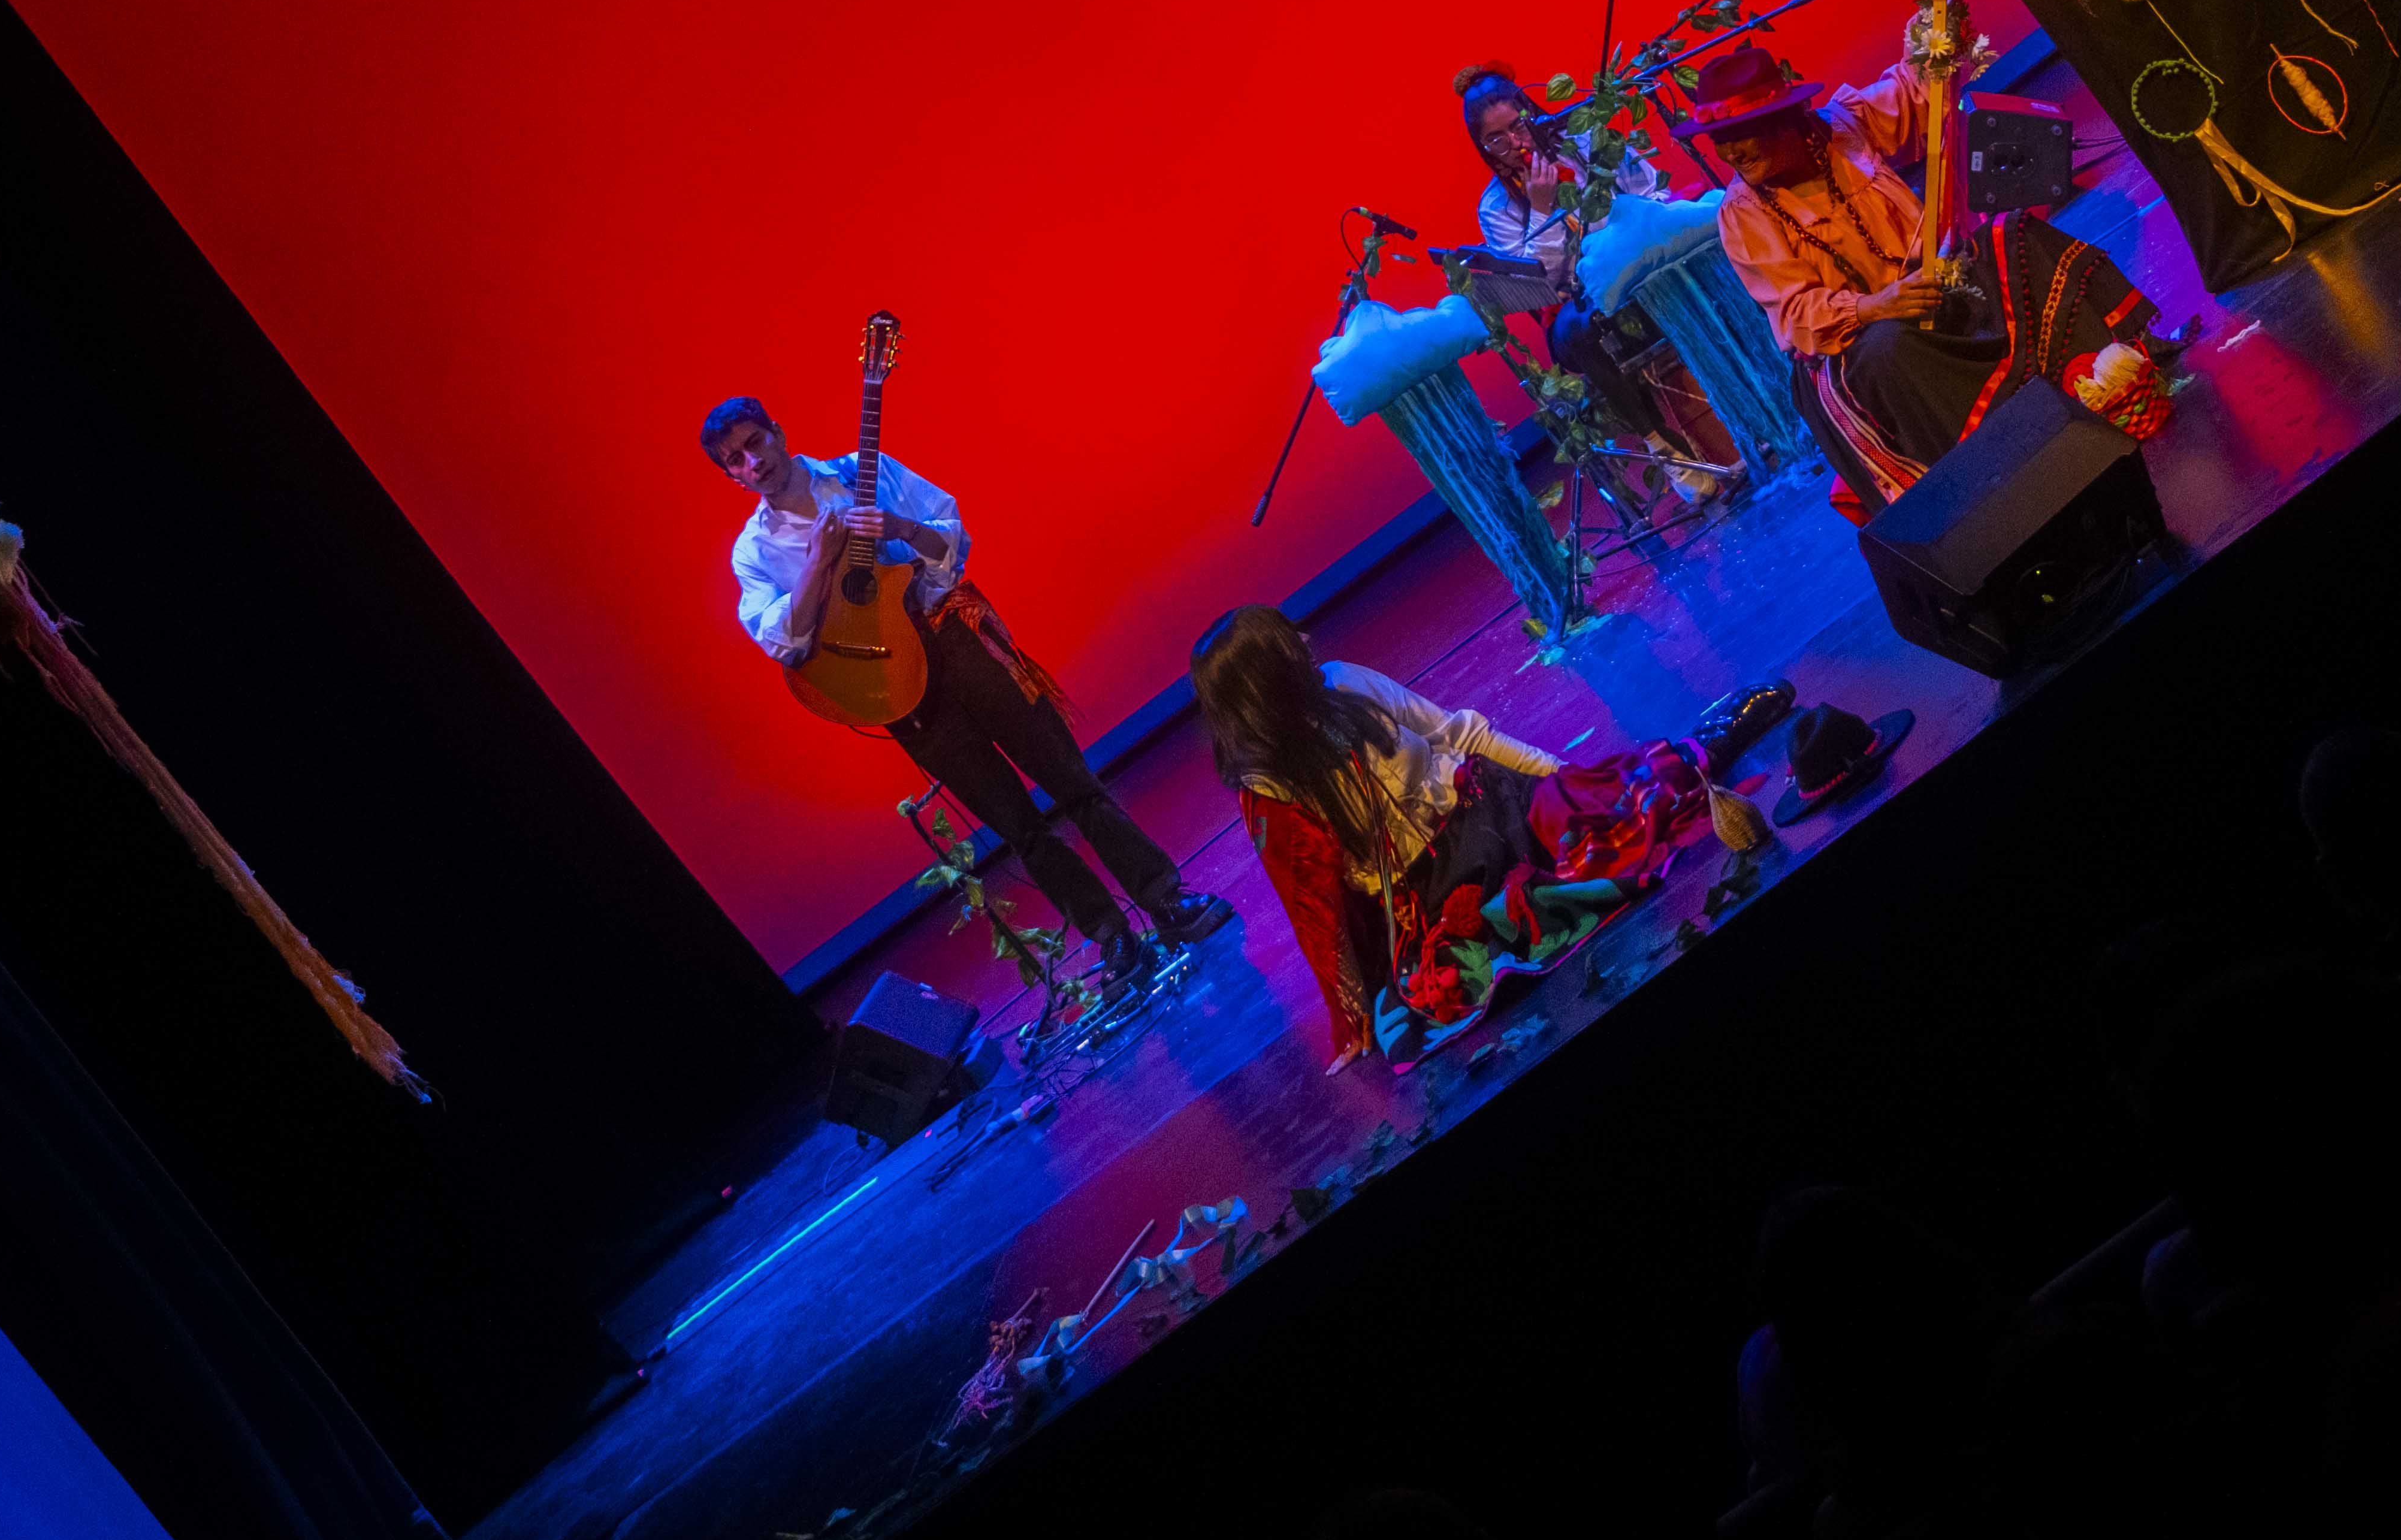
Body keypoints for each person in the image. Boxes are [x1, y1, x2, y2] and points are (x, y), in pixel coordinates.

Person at [706, 395, 1227, 979]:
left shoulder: (861, 471)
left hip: (955, 638)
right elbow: (784, 641)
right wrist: (817, 562)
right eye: (735, 460)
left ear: (778, 433)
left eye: (755, 443)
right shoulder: (753, 552)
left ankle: (1164, 899)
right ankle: (1111, 936)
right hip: (897, 685)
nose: (752, 462)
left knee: (1069, 778)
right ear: (731, 476)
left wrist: (901, 528)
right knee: (1017, 825)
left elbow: (952, 542)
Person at [1680, 24, 2161, 512]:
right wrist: (1876, 306)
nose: (1730, 153)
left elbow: (1920, 90)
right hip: (1855, 344)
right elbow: (1797, 312)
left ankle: (2110, 378)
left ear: (1785, 120)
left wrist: (1938, 28)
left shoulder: (1844, 126)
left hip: (1933, 285)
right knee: (1893, 347)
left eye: (1739, 135)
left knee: (2013, 235)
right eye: (1719, 140)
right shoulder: (1743, 214)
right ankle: (1997, 465)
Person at [1189, 603, 1629, 1066]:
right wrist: (1352, 1020)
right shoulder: (1268, 789)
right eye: (1288, 642)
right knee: (1486, 947)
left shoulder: (1342, 680)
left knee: (1612, 815)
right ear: (1266, 681)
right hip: (1431, 891)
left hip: (1490, 811)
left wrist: (1564, 774)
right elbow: (1312, 908)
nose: (1305, 639)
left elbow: (1459, 734)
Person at [1456, 61, 1719, 505]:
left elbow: (1649, 193)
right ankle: (1663, 446)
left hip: (1640, 260)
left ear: (1532, 112)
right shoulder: (1496, 206)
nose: (1514, 144)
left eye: (1517, 126)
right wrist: (1542, 210)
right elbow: (1539, 282)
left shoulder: (1586, 144)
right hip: (1580, 302)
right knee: (1578, 330)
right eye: (1495, 140)